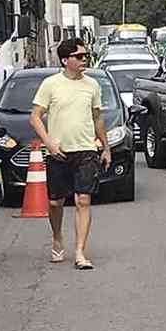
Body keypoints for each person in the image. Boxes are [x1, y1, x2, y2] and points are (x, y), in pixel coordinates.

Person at [29, 38, 111, 270]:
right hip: (59, 153)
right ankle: (57, 237)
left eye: (86, 56)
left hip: (86, 150)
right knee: (55, 202)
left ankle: (79, 252)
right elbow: (35, 116)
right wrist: (49, 143)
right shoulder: (51, 84)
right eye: (79, 56)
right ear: (66, 60)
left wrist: (105, 147)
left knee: (83, 200)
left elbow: (97, 118)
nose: (84, 59)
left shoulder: (92, 85)